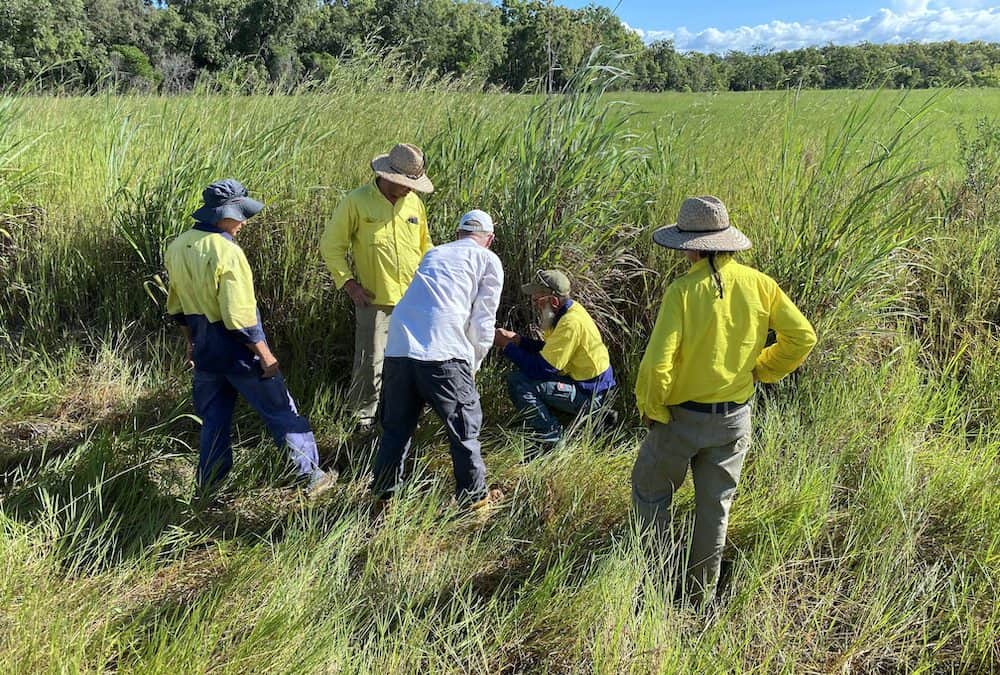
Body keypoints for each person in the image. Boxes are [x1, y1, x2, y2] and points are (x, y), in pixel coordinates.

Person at [632, 195, 817, 603]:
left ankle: (660, 587)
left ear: (692, 246)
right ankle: (700, 598)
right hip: (734, 419)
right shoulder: (761, 285)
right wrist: (763, 368)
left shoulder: (681, 292)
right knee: (715, 510)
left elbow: (656, 364)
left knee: (651, 492)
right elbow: (803, 337)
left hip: (680, 418)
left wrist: (652, 407)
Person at [165, 179, 334, 498]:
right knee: (280, 410)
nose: (243, 222)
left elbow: (176, 307)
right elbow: (239, 314)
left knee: (213, 421)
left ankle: (209, 488)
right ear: (223, 214)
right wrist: (264, 354)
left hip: (205, 350)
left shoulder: (178, 246)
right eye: (240, 214)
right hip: (239, 351)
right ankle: (311, 476)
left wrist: (191, 342)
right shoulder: (227, 251)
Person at [371, 209, 503, 507]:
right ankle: (475, 502)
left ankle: (381, 500)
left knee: (395, 429)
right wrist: (473, 366)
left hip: (399, 347)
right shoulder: (488, 259)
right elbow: (483, 323)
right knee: (464, 431)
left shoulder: (434, 254)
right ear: (489, 239)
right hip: (445, 352)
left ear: (458, 234)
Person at [320, 143, 434, 431]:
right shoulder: (357, 201)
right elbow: (331, 246)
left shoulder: (414, 205)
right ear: (387, 176)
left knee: (411, 360)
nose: (409, 189)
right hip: (373, 300)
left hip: (413, 298)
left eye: (413, 184)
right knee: (370, 361)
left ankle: (405, 412)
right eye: (405, 183)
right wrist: (349, 284)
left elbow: (425, 246)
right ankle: (362, 417)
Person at [494, 270, 616, 451]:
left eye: (537, 300)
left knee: (519, 381)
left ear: (553, 301)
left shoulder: (570, 323)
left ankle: (553, 440)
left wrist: (507, 346)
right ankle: (593, 417)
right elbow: (549, 351)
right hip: (587, 384)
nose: (534, 305)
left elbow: (541, 369)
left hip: (593, 393)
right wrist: (519, 341)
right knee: (525, 377)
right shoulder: (566, 312)